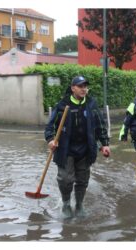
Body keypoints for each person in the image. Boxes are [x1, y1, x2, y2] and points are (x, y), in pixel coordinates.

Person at [45, 75, 111, 219]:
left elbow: (100, 125)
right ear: (73, 88)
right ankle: (66, 203)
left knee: (82, 179)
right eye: (80, 86)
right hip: (66, 148)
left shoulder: (91, 104)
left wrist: (104, 144)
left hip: (85, 149)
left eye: (85, 86)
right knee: (65, 179)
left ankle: (79, 205)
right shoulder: (63, 105)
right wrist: (50, 139)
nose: (84, 89)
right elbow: (50, 126)